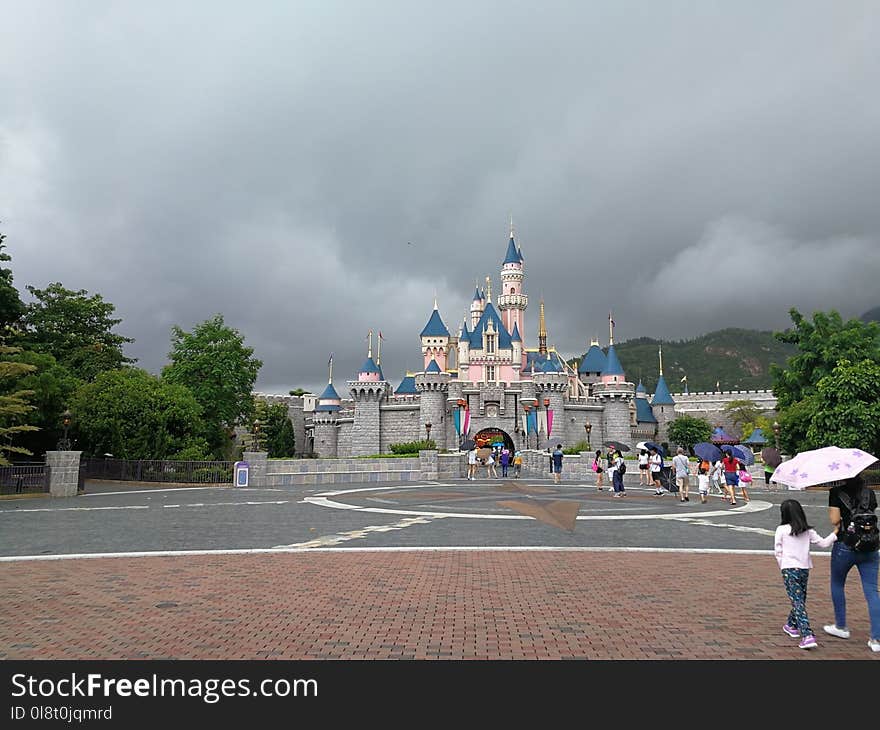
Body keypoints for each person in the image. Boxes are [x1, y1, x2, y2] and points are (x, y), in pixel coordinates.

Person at [823, 475, 880, 653]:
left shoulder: (836, 492)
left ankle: (841, 626)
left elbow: (834, 520)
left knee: (837, 583)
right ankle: (876, 639)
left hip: (845, 545)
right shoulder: (869, 493)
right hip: (870, 545)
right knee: (872, 591)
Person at [774, 499, 837, 650]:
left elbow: (777, 551)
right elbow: (823, 543)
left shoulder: (781, 529)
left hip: (789, 569)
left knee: (798, 600)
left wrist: (782, 565)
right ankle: (791, 625)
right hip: (804, 569)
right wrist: (835, 533)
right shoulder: (808, 531)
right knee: (800, 598)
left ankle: (807, 634)